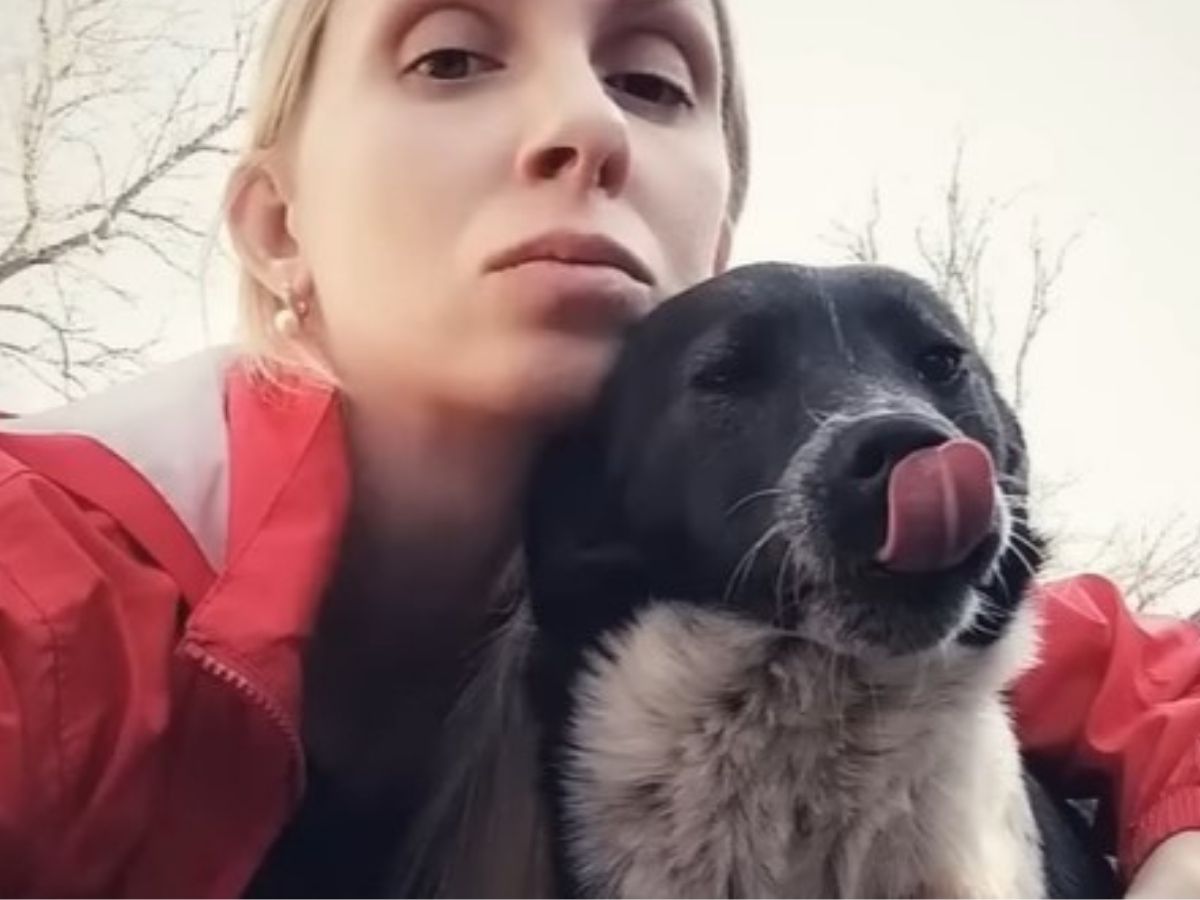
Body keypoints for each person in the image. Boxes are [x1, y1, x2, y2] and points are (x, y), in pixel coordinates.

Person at [0, 0, 1198, 896]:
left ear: (714, 243)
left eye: (652, 81)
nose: (583, 123)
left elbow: (1134, 670)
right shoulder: (52, 590)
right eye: (452, 58)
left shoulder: (808, 551)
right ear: (276, 223)